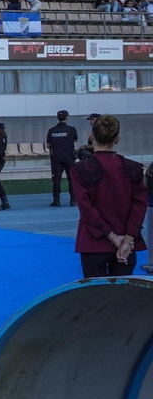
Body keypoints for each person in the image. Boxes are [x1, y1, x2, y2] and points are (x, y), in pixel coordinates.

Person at [71, 115, 147, 278]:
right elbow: (139, 208)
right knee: (121, 299)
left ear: (92, 137)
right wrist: (126, 240)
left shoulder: (80, 170)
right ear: (117, 139)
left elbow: (86, 209)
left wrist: (113, 237)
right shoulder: (134, 168)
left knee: (96, 299)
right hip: (127, 244)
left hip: (94, 243)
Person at [47, 109, 79, 207]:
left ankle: (56, 200)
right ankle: (73, 200)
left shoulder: (51, 130)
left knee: (56, 179)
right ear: (67, 118)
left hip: (56, 156)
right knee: (71, 178)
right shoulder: (71, 129)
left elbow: (48, 145)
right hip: (69, 155)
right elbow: (76, 139)